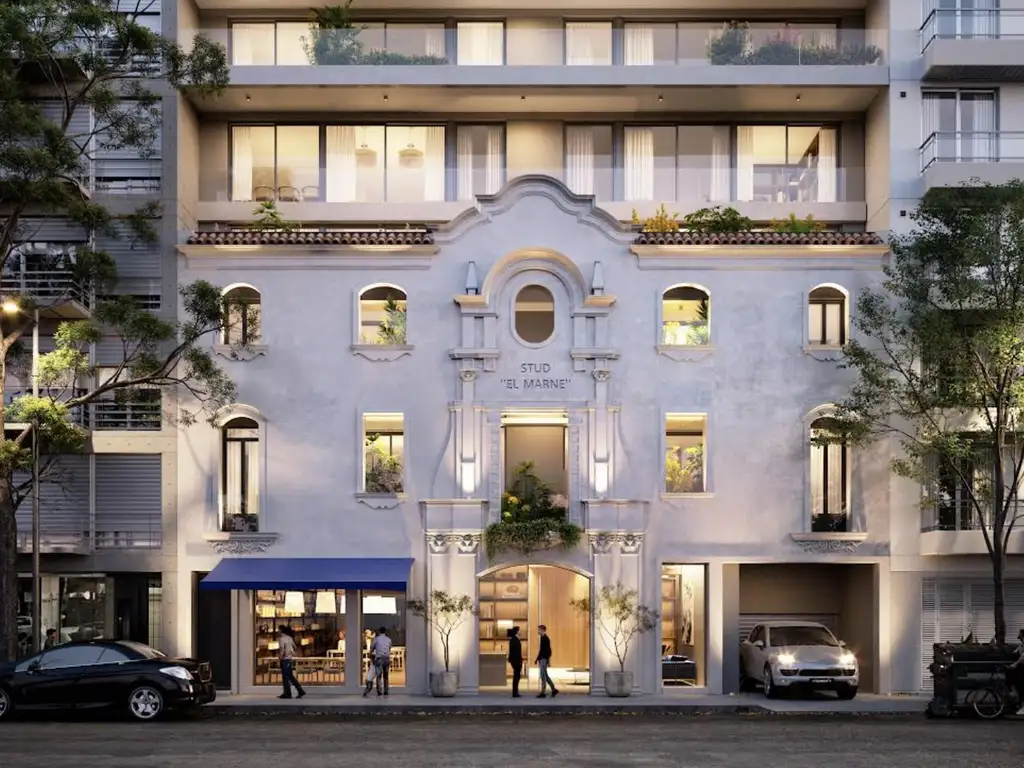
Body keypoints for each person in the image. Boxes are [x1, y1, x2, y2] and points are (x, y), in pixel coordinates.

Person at [277, 625, 306, 700]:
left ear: (281, 630)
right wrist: (290, 653)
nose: (277, 631)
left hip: (285, 659)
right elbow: (295, 647)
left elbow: (282, 649)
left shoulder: (281, 639)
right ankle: (297, 691)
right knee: (289, 676)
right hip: (289, 659)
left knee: (286, 677)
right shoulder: (290, 638)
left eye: (278, 630)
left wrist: (280, 657)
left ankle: (289, 693)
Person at [364, 626, 392, 697]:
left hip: (379, 658)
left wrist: (370, 654)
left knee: (379, 675)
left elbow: (372, 648)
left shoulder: (376, 639)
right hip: (386, 659)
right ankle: (386, 690)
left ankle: (379, 691)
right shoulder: (388, 639)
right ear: (385, 631)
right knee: (386, 676)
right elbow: (389, 648)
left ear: (379, 631)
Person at [535, 624, 558, 698]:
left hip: (543, 659)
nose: (538, 631)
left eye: (539, 630)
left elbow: (548, 651)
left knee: (543, 676)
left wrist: (548, 661)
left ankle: (543, 692)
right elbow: (542, 650)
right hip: (542, 659)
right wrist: (537, 659)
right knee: (546, 676)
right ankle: (554, 690)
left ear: (542, 630)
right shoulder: (542, 638)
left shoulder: (545, 638)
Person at [1009, 628, 1024, 715]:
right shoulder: (1021, 645)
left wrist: (1015, 664)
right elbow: (1015, 653)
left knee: (1021, 686)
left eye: (1020, 635)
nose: (1018, 637)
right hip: (1021, 668)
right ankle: (1014, 694)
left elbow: (1023, 657)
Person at [507, 626, 523, 698]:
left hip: (515, 660)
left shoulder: (513, 639)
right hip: (516, 660)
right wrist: (520, 661)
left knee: (516, 676)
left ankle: (515, 692)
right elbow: (516, 652)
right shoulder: (515, 639)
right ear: (517, 631)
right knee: (517, 676)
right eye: (519, 630)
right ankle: (515, 692)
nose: (520, 631)